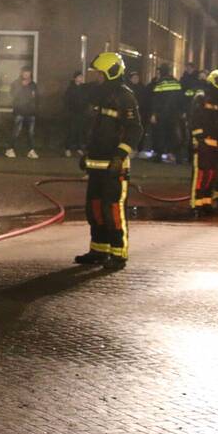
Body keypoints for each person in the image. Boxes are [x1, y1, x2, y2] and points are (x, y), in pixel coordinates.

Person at [75, 52, 143, 271]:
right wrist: (87, 154)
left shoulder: (125, 97)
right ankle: (99, 250)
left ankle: (118, 253)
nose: (97, 79)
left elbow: (135, 130)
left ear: (111, 73)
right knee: (94, 209)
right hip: (96, 164)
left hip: (115, 166)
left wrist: (120, 156)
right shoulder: (98, 96)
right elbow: (94, 129)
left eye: (100, 75)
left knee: (112, 210)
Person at [190, 69, 218, 216]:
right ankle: (196, 204)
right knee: (202, 175)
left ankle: (206, 202)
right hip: (203, 144)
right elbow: (194, 121)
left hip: (215, 145)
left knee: (212, 174)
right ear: (217, 83)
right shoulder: (201, 98)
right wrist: (200, 139)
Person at [149, 64, 184, 163]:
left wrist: (154, 114)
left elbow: (156, 100)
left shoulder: (160, 83)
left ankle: (158, 155)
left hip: (162, 114)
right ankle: (175, 155)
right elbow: (181, 99)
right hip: (174, 114)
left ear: (162, 72)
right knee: (173, 135)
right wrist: (181, 112)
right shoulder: (176, 82)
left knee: (160, 134)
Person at [5, 66, 38, 159]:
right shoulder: (16, 83)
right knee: (16, 131)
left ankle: (31, 150)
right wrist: (21, 87)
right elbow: (13, 95)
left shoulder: (33, 85)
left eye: (28, 72)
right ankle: (10, 149)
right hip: (19, 111)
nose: (26, 74)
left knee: (31, 132)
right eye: (25, 72)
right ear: (21, 73)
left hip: (30, 112)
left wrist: (35, 108)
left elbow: (36, 97)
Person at [62, 71, 88, 157]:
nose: (81, 78)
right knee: (71, 131)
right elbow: (67, 101)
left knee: (80, 131)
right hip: (73, 113)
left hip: (82, 113)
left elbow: (86, 99)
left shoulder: (84, 88)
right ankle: (67, 148)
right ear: (75, 78)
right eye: (79, 77)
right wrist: (69, 111)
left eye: (82, 77)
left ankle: (79, 148)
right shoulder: (71, 88)